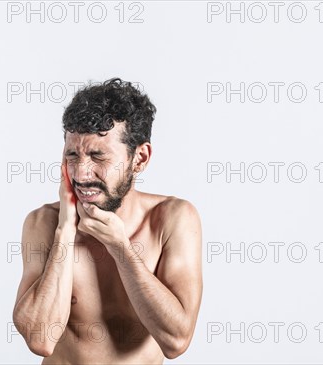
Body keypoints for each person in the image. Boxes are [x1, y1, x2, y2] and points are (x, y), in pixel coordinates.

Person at [12, 78, 202, 363]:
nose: (81, 173)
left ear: (139, 158)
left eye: (97, 156)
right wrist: (65, 230)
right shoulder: (44, 223)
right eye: (72, 155)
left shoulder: (171, 219)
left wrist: (121, 248)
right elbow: (40, 338)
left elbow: (176, 340)